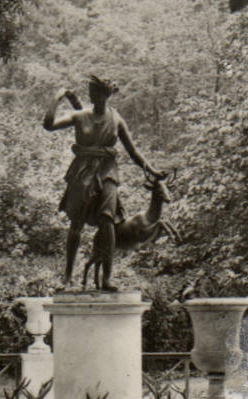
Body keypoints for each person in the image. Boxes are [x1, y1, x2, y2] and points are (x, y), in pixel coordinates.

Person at [43, 75, 160, 290]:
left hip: (108, 171)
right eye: (90, 92)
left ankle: (107, 278)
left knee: (108, 220)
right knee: (76, 223)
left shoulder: (116, 119)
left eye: (96, 92)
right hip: (83, 172)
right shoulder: (80, 116)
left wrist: (152, 170)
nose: (92, 96)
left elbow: (133, 151)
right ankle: (67, 277)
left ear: (106, 95)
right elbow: (48, 125)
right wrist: (57, 97)